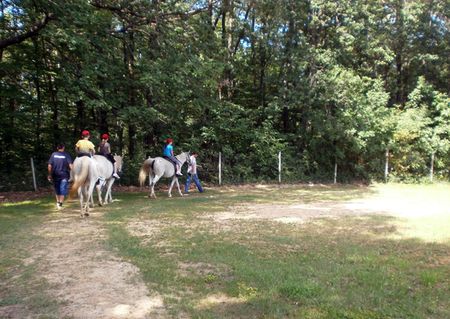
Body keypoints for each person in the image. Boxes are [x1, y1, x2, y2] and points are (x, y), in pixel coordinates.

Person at [48, 143, 73, 210]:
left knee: (57, 189)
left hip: (55, 174)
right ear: (63, 148)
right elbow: (70, 166)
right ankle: (60, 203)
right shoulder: (66, 155)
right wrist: (74, 173)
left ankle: (58, 202)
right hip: (64, 175)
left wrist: (50, 174)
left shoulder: (53, 154)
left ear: (57, 148)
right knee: (63, 189)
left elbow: (50, 165)